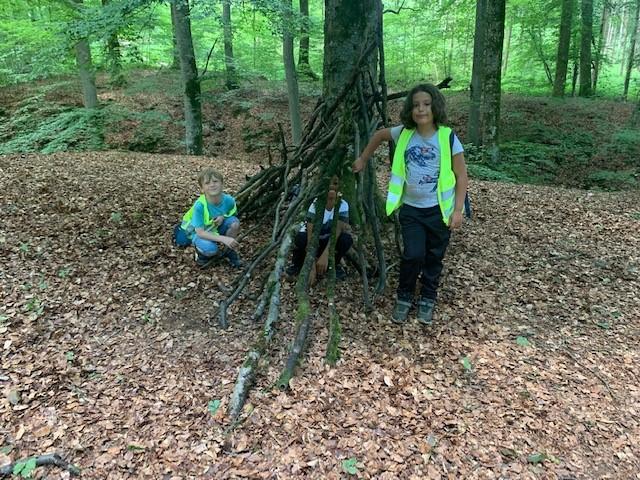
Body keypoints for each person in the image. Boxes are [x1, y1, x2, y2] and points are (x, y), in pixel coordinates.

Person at [352, 83, 468, 325]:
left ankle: (428, 298)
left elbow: (461, 176)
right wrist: (363, 158)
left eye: (426, 104)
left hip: (439, 211)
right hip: (411, 210)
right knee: (413, 254)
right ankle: (404, 296)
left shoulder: (447, 137)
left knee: (434, 256)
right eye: (415, 105)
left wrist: (458, 210)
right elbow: (379, 135)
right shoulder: (403, 133)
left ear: (435, 106)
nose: (421, 109)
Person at [286, 175, 353, 282]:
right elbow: (310, 238)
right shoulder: (315, 204)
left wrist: (325, 256)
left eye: (335, 184)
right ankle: (298, 264)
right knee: (301, 238)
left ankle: (333, 264)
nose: (331, 186)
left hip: (328, 242)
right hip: (313, 241)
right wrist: (311, 267)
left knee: (346, 239)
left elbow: (337, 233)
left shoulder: (343, 205)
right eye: (328, 183)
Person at [175, 168, 243, 268]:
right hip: (195, 231)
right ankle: (201, 255)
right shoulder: (200, 206)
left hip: (213, 227)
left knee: (235, 223)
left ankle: (229, 250)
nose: (212, 185)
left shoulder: (229, 200)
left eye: (215, 181)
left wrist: (222, 217)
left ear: (222, 184)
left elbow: (231, 212)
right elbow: (200, 233)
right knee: (209, 249)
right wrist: (224, 239)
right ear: (202, 189)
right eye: (207, 183)